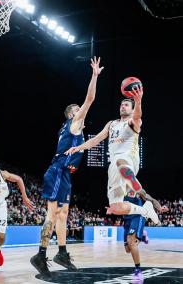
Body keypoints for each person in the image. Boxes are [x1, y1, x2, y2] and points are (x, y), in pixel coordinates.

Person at [30, 56, 104, 277]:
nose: (82, 111)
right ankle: (40, 254)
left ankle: (61, 252)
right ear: (73, 114)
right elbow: (90, 98)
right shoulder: (74, 123)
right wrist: (94, 75)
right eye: (78, 109)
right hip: (58, 171)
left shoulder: (68, 129)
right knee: (52, 214)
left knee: (63, 214)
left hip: (65, 174)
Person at [65, 84, 159, 224]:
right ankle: (146, 210)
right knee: (116, 207)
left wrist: (138, 101)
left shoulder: (133, 122)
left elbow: (138, 116)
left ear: (132, 110)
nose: (123, 106)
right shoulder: (111, 124)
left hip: (129, 159)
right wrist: (78, 148)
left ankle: (142, 193)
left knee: (121, 162)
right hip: (114, 165)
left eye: (127, 105)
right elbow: (96, 140)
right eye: (122, 104)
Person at [106, 190, 169, 280]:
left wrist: (159, 208)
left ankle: (138, 269)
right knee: (128, 249)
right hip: (126, 219)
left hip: (137, 216)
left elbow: (151, 199)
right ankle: (142, 236)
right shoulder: (119, 189)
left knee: (131, 241)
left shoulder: (137, 189)